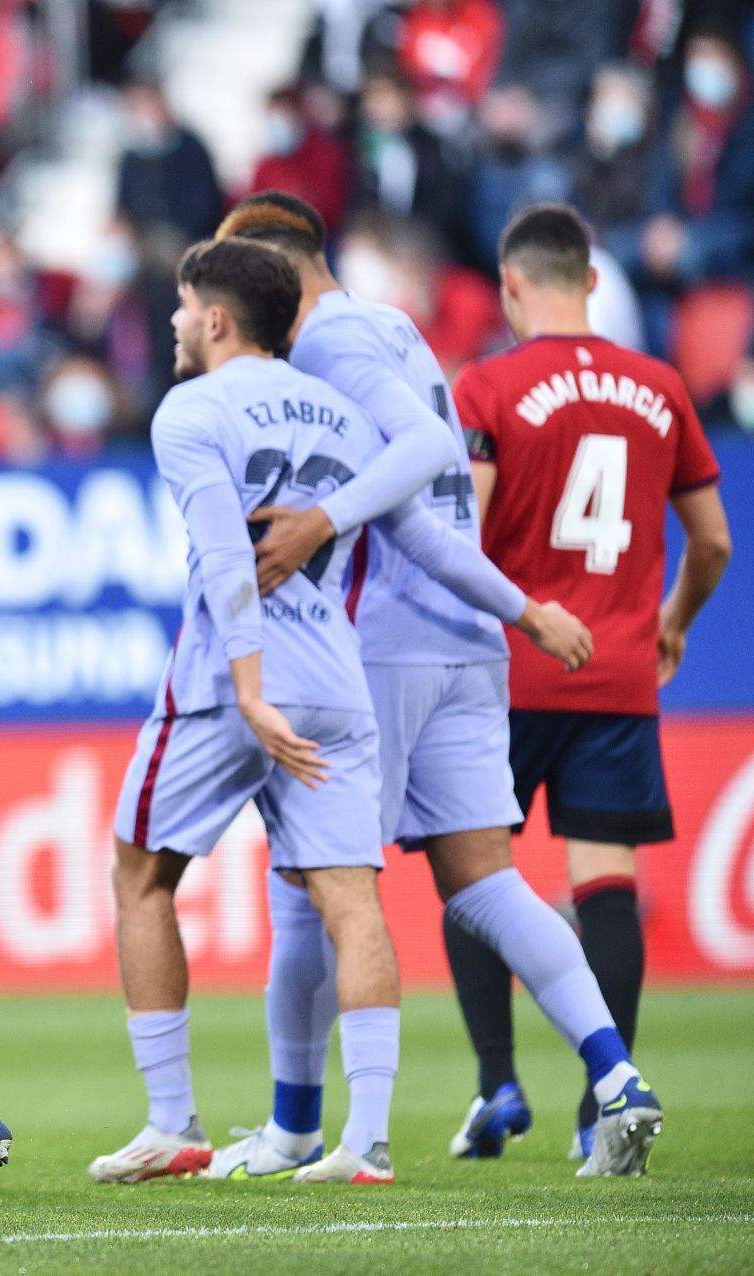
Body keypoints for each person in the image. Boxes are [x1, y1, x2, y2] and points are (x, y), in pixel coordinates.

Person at [86, 238, 586, 1189]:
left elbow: (229, 560)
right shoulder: (350, 420)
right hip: (340, 682)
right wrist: (526, 611)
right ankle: (367, 1140)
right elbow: (432, 544)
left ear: (221, 319)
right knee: (352, 899)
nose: (176, 323)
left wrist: (245, 693)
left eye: (186, 308)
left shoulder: (190, 409)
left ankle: (170, 1122)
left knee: (140, 875)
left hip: (230, 683)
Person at [218, 191, 661, 1179]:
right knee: (487, 883)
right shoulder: (397, 328)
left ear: (274, 271)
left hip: (385, 643)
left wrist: (322, 519)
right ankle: (616, 1070)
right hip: (467, 641)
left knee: (312, 885)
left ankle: (304, 1126)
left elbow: (414, 482)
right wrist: (517, 609)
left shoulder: (325, 350)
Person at [448, 203, 729, 1169]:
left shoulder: (486, 386)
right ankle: (600, 1113)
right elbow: (717, 539)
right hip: (616, 670)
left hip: (510, 666)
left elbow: (462, 538)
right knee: (605, 882)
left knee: (475, 871)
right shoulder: (659, 384)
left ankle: (497, 1085)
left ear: (511, 282)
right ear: (593, 282)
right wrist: (674, 622)